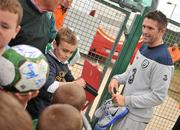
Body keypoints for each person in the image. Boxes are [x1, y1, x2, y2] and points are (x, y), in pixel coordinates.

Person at [108, 10, 174, 130]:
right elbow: (132, 72)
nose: (144, 31)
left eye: (150, 28)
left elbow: (158, 96)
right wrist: (117, 79)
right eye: (144, 26)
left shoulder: (163, 59)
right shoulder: (144, 47)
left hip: (135, 118)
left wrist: (126, 100)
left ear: (162, 31)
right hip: (124, 110)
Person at [26, 27, 86, 119]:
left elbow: (72, 80)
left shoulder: (63, 63)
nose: (67, 55)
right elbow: (50, 86)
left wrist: (81, 80)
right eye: (65, 50)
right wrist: (74, 84)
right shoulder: (47, 61)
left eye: (71, 52)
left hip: (49, 109)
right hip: (36, 110)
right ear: (55, 45)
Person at [0, 0, 39, 108]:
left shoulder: (18, 64)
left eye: (5, 26)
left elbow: (15, 112)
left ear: (16, 32)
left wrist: (21, 101)